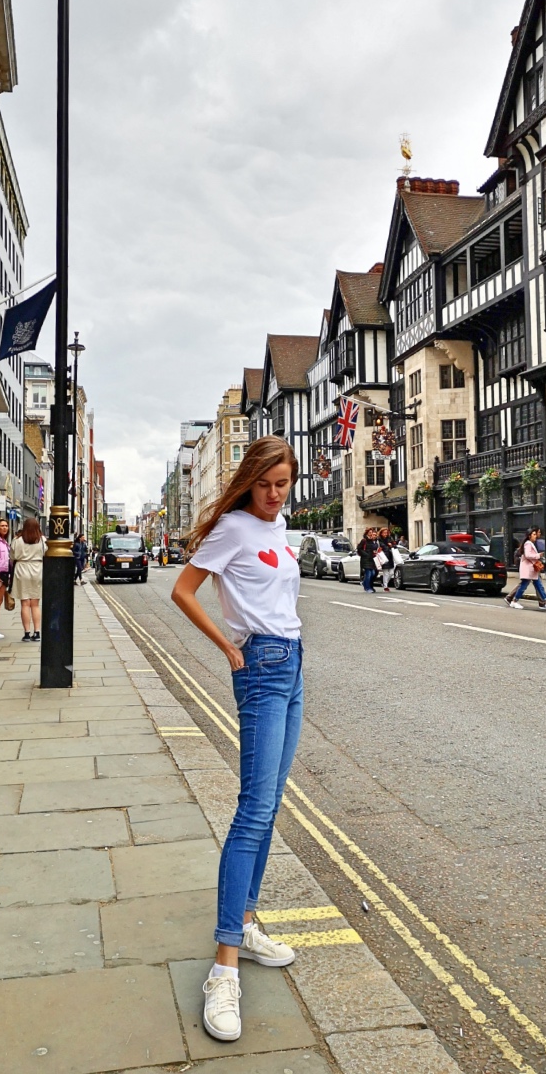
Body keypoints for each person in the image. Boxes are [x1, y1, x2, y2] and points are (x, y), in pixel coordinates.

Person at [170, 436, 303, 1043]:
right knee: (252, 812)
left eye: (284, 484)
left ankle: (246, 925)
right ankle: (224, 968)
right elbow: (183, 591)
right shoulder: (233, 528)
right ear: (249, 481)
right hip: (262, 667)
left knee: (270, 806)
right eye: (266, 484)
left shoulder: (278, 530)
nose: (275, 495)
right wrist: (227, 646)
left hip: (293, 664)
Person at [11, 518, 47, 642]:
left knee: (25, 603)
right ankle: (37, 632)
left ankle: (26, 633)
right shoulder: (42, 540)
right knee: (35, 604)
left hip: (22, 569)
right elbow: (46, 554)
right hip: (37, 569)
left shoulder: (17, 540)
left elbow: (12, 556)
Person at [506, 526, 546, 610]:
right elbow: (528, 555)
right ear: (529, 536)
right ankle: (514, 601)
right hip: (528, 570)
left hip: (532, 570)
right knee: (523, 586)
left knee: (539, 586)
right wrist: (538, 555)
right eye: (533, 534)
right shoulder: (528, 544)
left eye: (535, 534)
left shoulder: (529, 544)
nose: (535, 536)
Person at [356, 527, 380, 593]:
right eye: (369, 533)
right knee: (368, 574)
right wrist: (366, 554)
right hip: (365, 559)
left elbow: (374, 548)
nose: (371, 534)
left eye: (371, 533)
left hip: (372, 559)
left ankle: (365, 583)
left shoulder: (373, 541)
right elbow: (359, 548)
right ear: (367, 533)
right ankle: (367, 588)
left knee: (373, 573)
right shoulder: (364, 540)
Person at [377, 526, 397, 592]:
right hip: (384, 557)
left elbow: (395, 545)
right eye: (384, 533)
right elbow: (383, 546)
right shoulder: (379, 539)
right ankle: (386, 586)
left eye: (386, 532)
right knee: (386, 573)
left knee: (391, 573)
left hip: (390, 557)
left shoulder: (390, 538)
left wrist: (392, 545)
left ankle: (385, 583)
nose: (385, 534)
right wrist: (388, 546)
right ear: (381, 533)